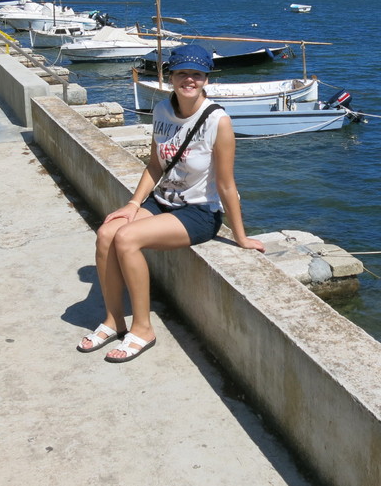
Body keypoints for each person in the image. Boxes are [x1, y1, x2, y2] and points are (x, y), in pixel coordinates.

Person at [76, 44, 265, 363]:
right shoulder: (162, 110)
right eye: (182, 73)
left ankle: (143, 328)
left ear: (206, 78)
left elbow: (226, 184)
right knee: (107, 233)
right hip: (162, 201)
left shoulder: (218, 121)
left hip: (199, 212)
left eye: (197, 74)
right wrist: (133, 204)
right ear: (171, 77)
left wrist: (241, 237)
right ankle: (113, 320)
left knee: (126, 238)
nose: (189, 79)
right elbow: (155, 165)